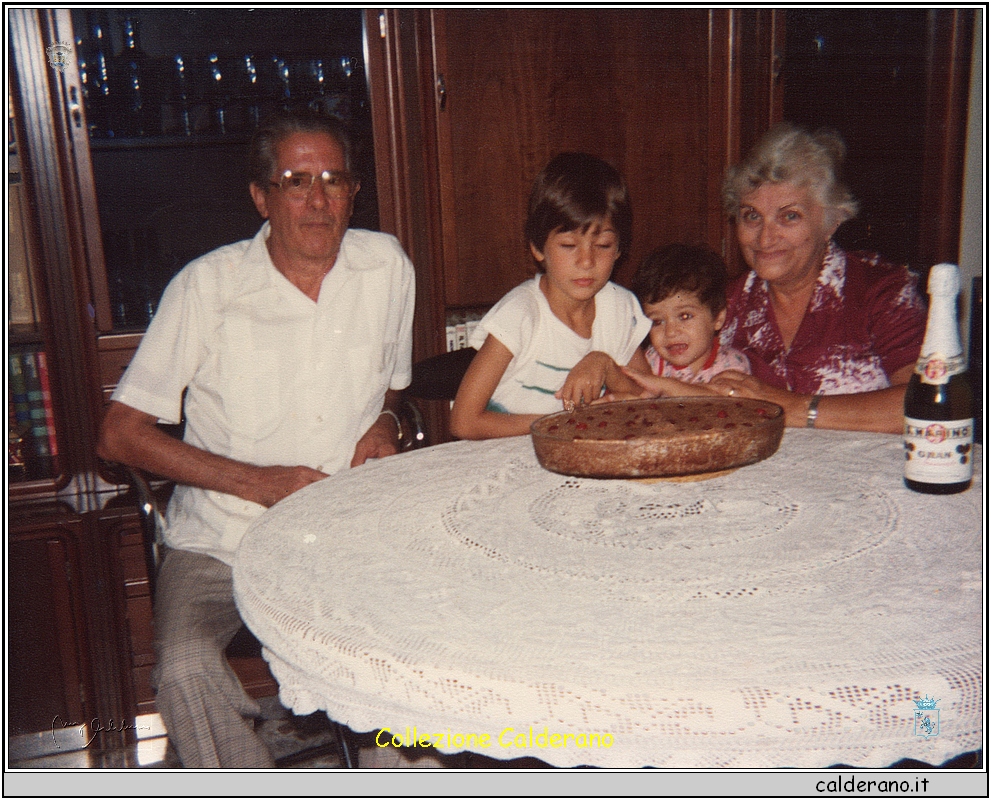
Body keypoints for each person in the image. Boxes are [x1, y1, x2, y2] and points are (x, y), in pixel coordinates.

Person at [97, 109, 416, 768]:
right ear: (261, 197)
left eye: (333, 179)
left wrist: (384, 422)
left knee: (404, 649)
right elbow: (118, 435)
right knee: (185, 668)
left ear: (354, 191)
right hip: (220, 537)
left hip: (345, 526)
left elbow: (392, 384)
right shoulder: (208, 287)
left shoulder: (386, 267)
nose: (318, 199)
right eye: (296, 181)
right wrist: (256, 481)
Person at [709, 123, 926, 432]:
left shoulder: (883, 291)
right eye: (752, 216)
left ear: (831, 222)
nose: (765, 238)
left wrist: (792, 407)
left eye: (790, 216)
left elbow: (924, 403)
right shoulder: (724, 305)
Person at [449, 152, 652, 439]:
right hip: (506, 452)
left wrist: (606, 367)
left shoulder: (620, 308)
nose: (586, 261)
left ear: (620, 248)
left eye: (603, 245)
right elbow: (464, 422)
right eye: (569, 245)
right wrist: (561, 423)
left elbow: (651, 402)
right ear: (538, 247)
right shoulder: (521, 313)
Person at [618, 243, 750, 399]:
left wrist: (665, 387)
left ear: (718, 318)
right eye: (657, 322)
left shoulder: (732, 364)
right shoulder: (650, 362)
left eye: (685, 316)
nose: (671, 332)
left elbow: (729, 404)